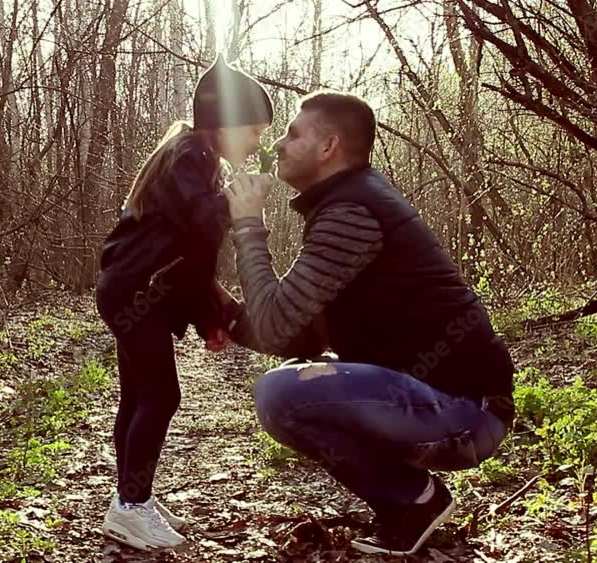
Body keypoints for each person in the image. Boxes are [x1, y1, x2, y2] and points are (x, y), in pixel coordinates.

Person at [220, 90, 516, 556]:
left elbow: (275, 325)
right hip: (441, 405)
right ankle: (412, 501)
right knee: (295, 382)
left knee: (281, 393)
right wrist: (218, 311)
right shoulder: (347, 203)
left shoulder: (351, 213)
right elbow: (297, 335)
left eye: (292, 134)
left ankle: (415, 501)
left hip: (465, 412)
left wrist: (248, 226)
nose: (278, 144)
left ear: (328, 146)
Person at [95, 55, 274, 551]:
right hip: (135, 294)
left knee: (138, 397)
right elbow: (200, 222)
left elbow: (193, 258)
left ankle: (132, 497)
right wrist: (241, 201)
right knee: (160, 397)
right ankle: (131, 506)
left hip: (130, 291)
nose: (257, 144)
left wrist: (208, 317)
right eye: (254, 131)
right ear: (225, 123)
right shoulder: (191, 155)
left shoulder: (197, 158)